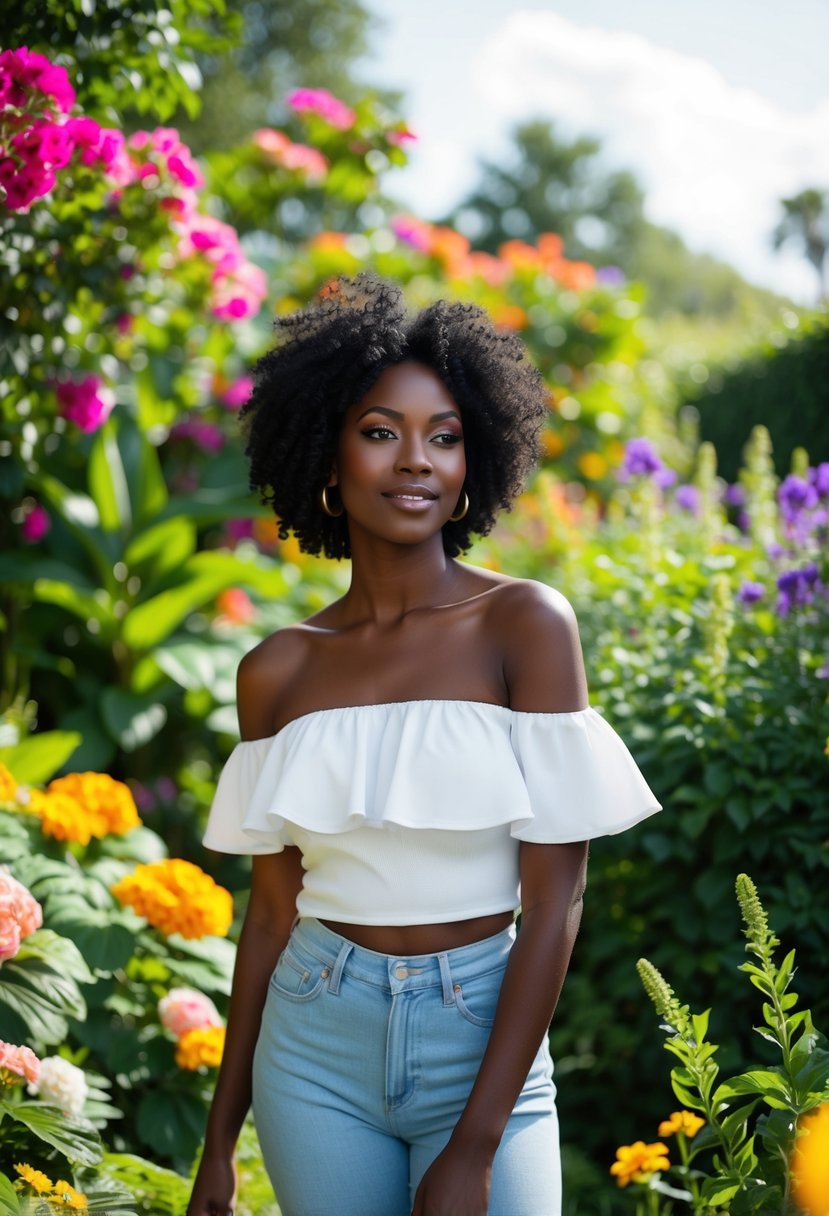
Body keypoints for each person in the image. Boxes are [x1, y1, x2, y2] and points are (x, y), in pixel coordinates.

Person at [187, 274, 661, 1216]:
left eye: (443, 436)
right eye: (379, 431)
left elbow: (555, 892)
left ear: (471, 464)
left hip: (481, 1035)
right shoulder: (276, 671)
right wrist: (217, 1146)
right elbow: (272, 917)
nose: (415, 460)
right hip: (313, 1045)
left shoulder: (523, 625)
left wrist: (475, 1145)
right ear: (327, 456)